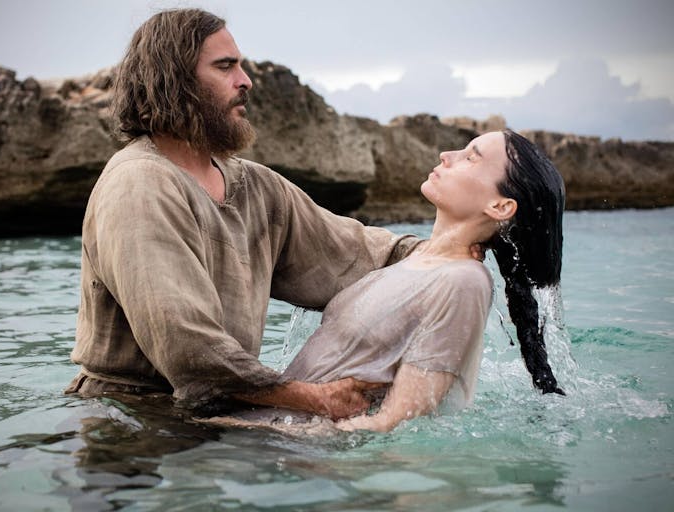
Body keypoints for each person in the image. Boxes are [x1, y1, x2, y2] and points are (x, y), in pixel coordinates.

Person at [64, 8, 421, 419]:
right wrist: (313, 397)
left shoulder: (254, 186)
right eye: (225, 66)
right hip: (130, 424)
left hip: (224, 412)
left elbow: (354, 254)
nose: (245, 80)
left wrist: (453, 249)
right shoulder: (139, 183)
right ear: (175, 81)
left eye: (241, 65)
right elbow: (188, 346)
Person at [203, 129, 565, 433]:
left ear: (500, 207)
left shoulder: (464, 281)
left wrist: (251, 432)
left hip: (284, 451)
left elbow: (395, 423)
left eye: (472, 157)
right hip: (252, 436)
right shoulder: (412, 263)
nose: (446, 155)